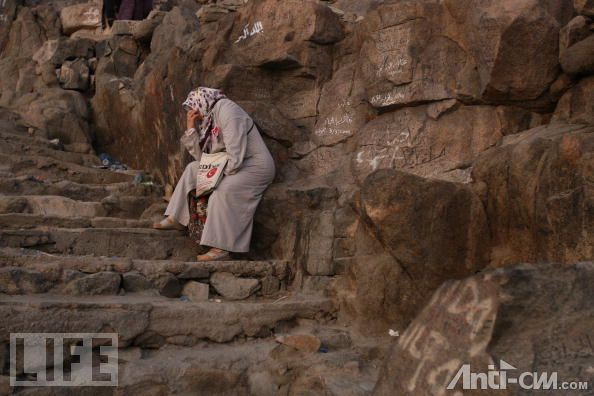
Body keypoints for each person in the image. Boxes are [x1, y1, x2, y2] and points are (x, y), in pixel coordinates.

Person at [153, 87, 276, 261]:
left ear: (201, 102)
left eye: (194, 108)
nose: (195, 113)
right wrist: (191, 129)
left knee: (223, 191)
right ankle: (177, 218)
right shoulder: (209, 120)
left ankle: (220, 249)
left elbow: (236, 154)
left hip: (255, 167)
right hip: (231, 164)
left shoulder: (228, 111)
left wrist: (216, 177)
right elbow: (203, 158)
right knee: (192, 169)